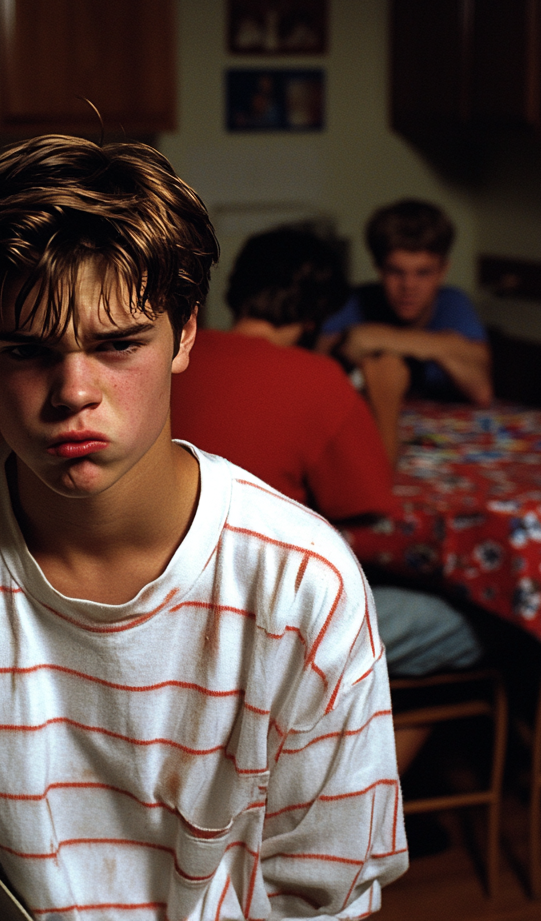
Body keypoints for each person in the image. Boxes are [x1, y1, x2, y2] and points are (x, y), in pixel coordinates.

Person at [0, 137, 408, 919]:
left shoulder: (301, 582)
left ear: (185, 336)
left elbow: (326, 889)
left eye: (117, 343)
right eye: (27, 351)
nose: (73, 392)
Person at [171, 226, 483, 773]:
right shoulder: (316, 376)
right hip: (267, 623)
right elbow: (370, 502)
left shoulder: (176, 358)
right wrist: (385, 399)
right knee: (471, 623)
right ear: (318, 312)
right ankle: (359, 804)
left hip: (181, 609)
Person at [317, 200, 492, 407]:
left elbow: (481, 392)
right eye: (395, 272)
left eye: (423, 273)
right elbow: (317, 378)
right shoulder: (353, 301)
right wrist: (446, 345)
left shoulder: (453, 303)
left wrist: (378, 336)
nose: (409, 286)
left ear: (443, 271)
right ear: (379, 269)